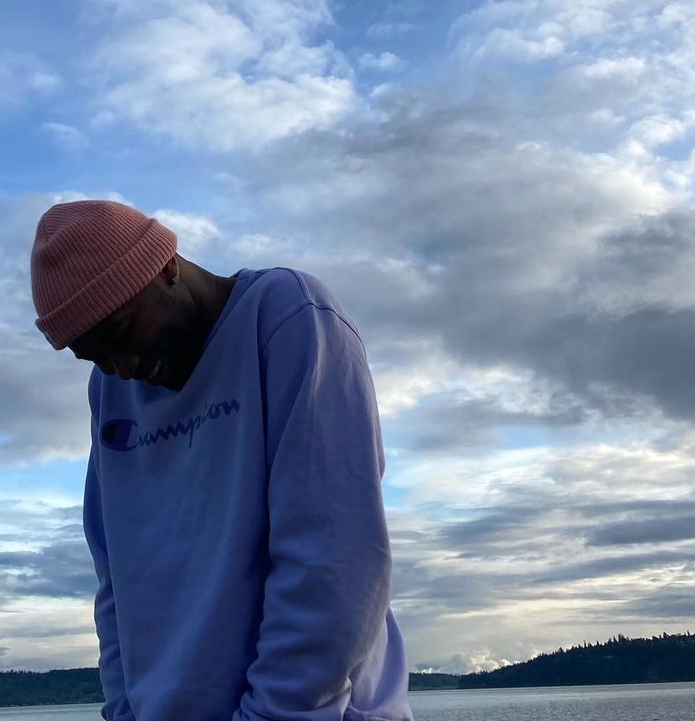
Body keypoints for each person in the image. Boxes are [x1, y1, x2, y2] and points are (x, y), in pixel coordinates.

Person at [30, 198, 412, 721]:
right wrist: (124, 711)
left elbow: (334, 555)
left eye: (119, 334)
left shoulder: (286, 316)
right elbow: (116, 583)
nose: (123, 367)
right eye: (94, 357)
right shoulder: (110, 389)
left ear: (165, 266)